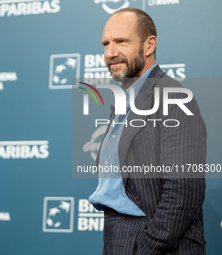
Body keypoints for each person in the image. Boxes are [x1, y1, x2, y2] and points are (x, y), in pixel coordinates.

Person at [88, 8, 207, 255]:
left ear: (149, 45)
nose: (111, 53)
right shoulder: (123, 101)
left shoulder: (173, 98)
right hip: (116, 236)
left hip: (155, 244)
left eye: (121, 41)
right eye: (106, 44)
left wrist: (146, 246)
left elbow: (184, 190)